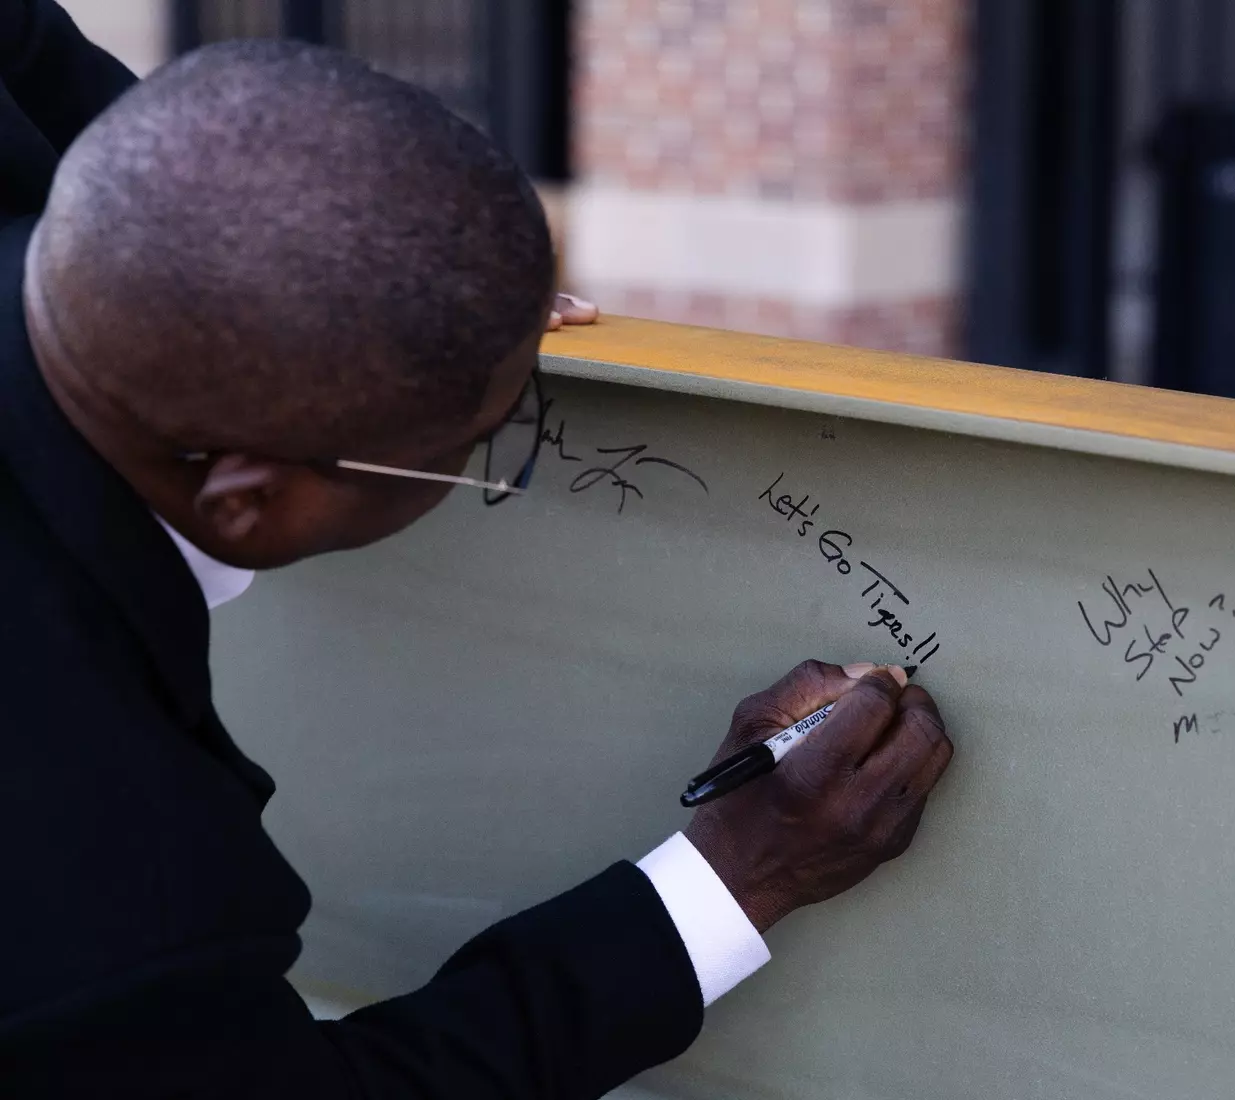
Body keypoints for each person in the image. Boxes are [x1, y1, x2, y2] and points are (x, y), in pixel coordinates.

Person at [0, 4, 954, 1096]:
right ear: (252, 502)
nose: (501, 444)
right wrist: (741, 871)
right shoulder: (110, 865)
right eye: (488, 439)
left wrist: (383, 268)